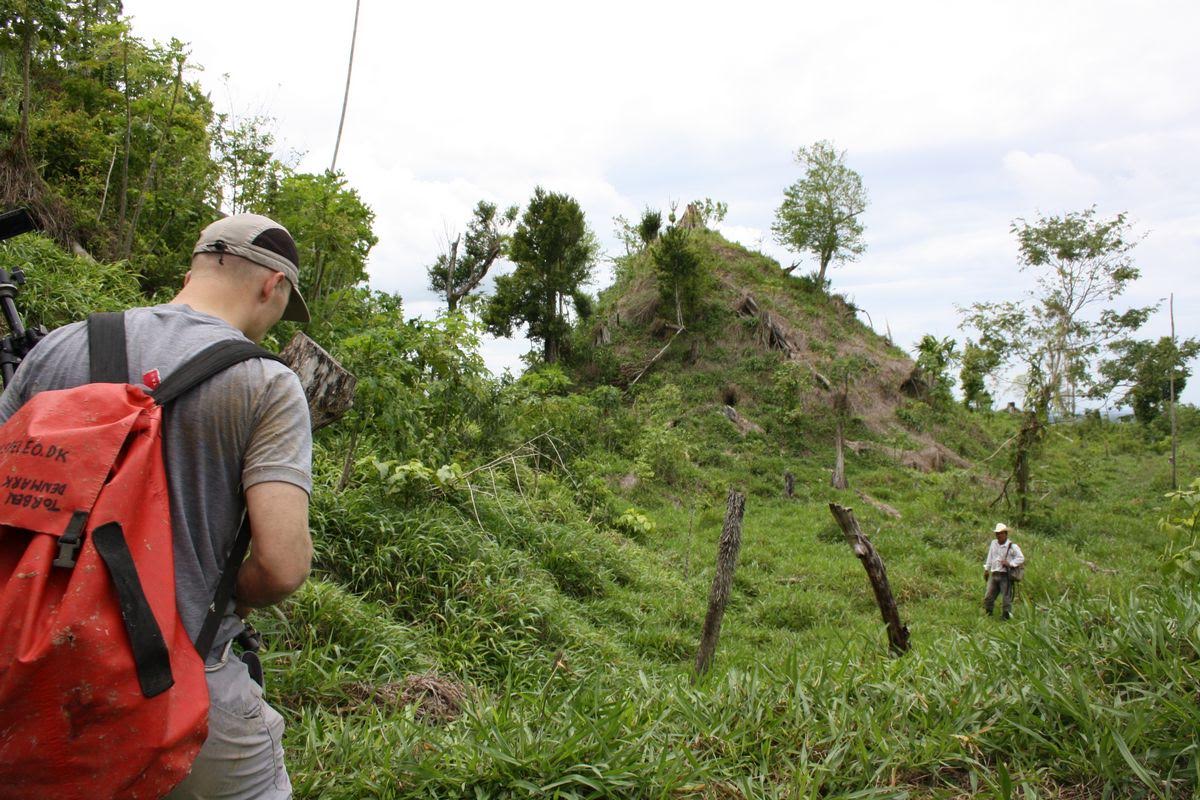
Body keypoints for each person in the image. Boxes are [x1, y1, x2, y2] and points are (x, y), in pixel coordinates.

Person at [0, 213, 314, 799]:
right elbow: (283, 564)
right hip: (183, 685)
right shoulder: (264, 382)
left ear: (194, 267)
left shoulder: (55, 350)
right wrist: (227, 603)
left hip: (34, 673)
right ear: (272, 286)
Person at [983, 522, 1024, 620]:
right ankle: (989, 614)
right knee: (988, 596)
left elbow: (1021, 558)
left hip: (1005, 575)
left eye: (1001, 533)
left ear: (1005, 534)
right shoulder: (994, 543)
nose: (999, 535)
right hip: (994, 573)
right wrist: (986, 569)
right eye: (997, 533)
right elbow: (990, 556)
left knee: (1006, 598)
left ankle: (1006, 617)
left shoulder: (1012, 546)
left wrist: (1010, 563)